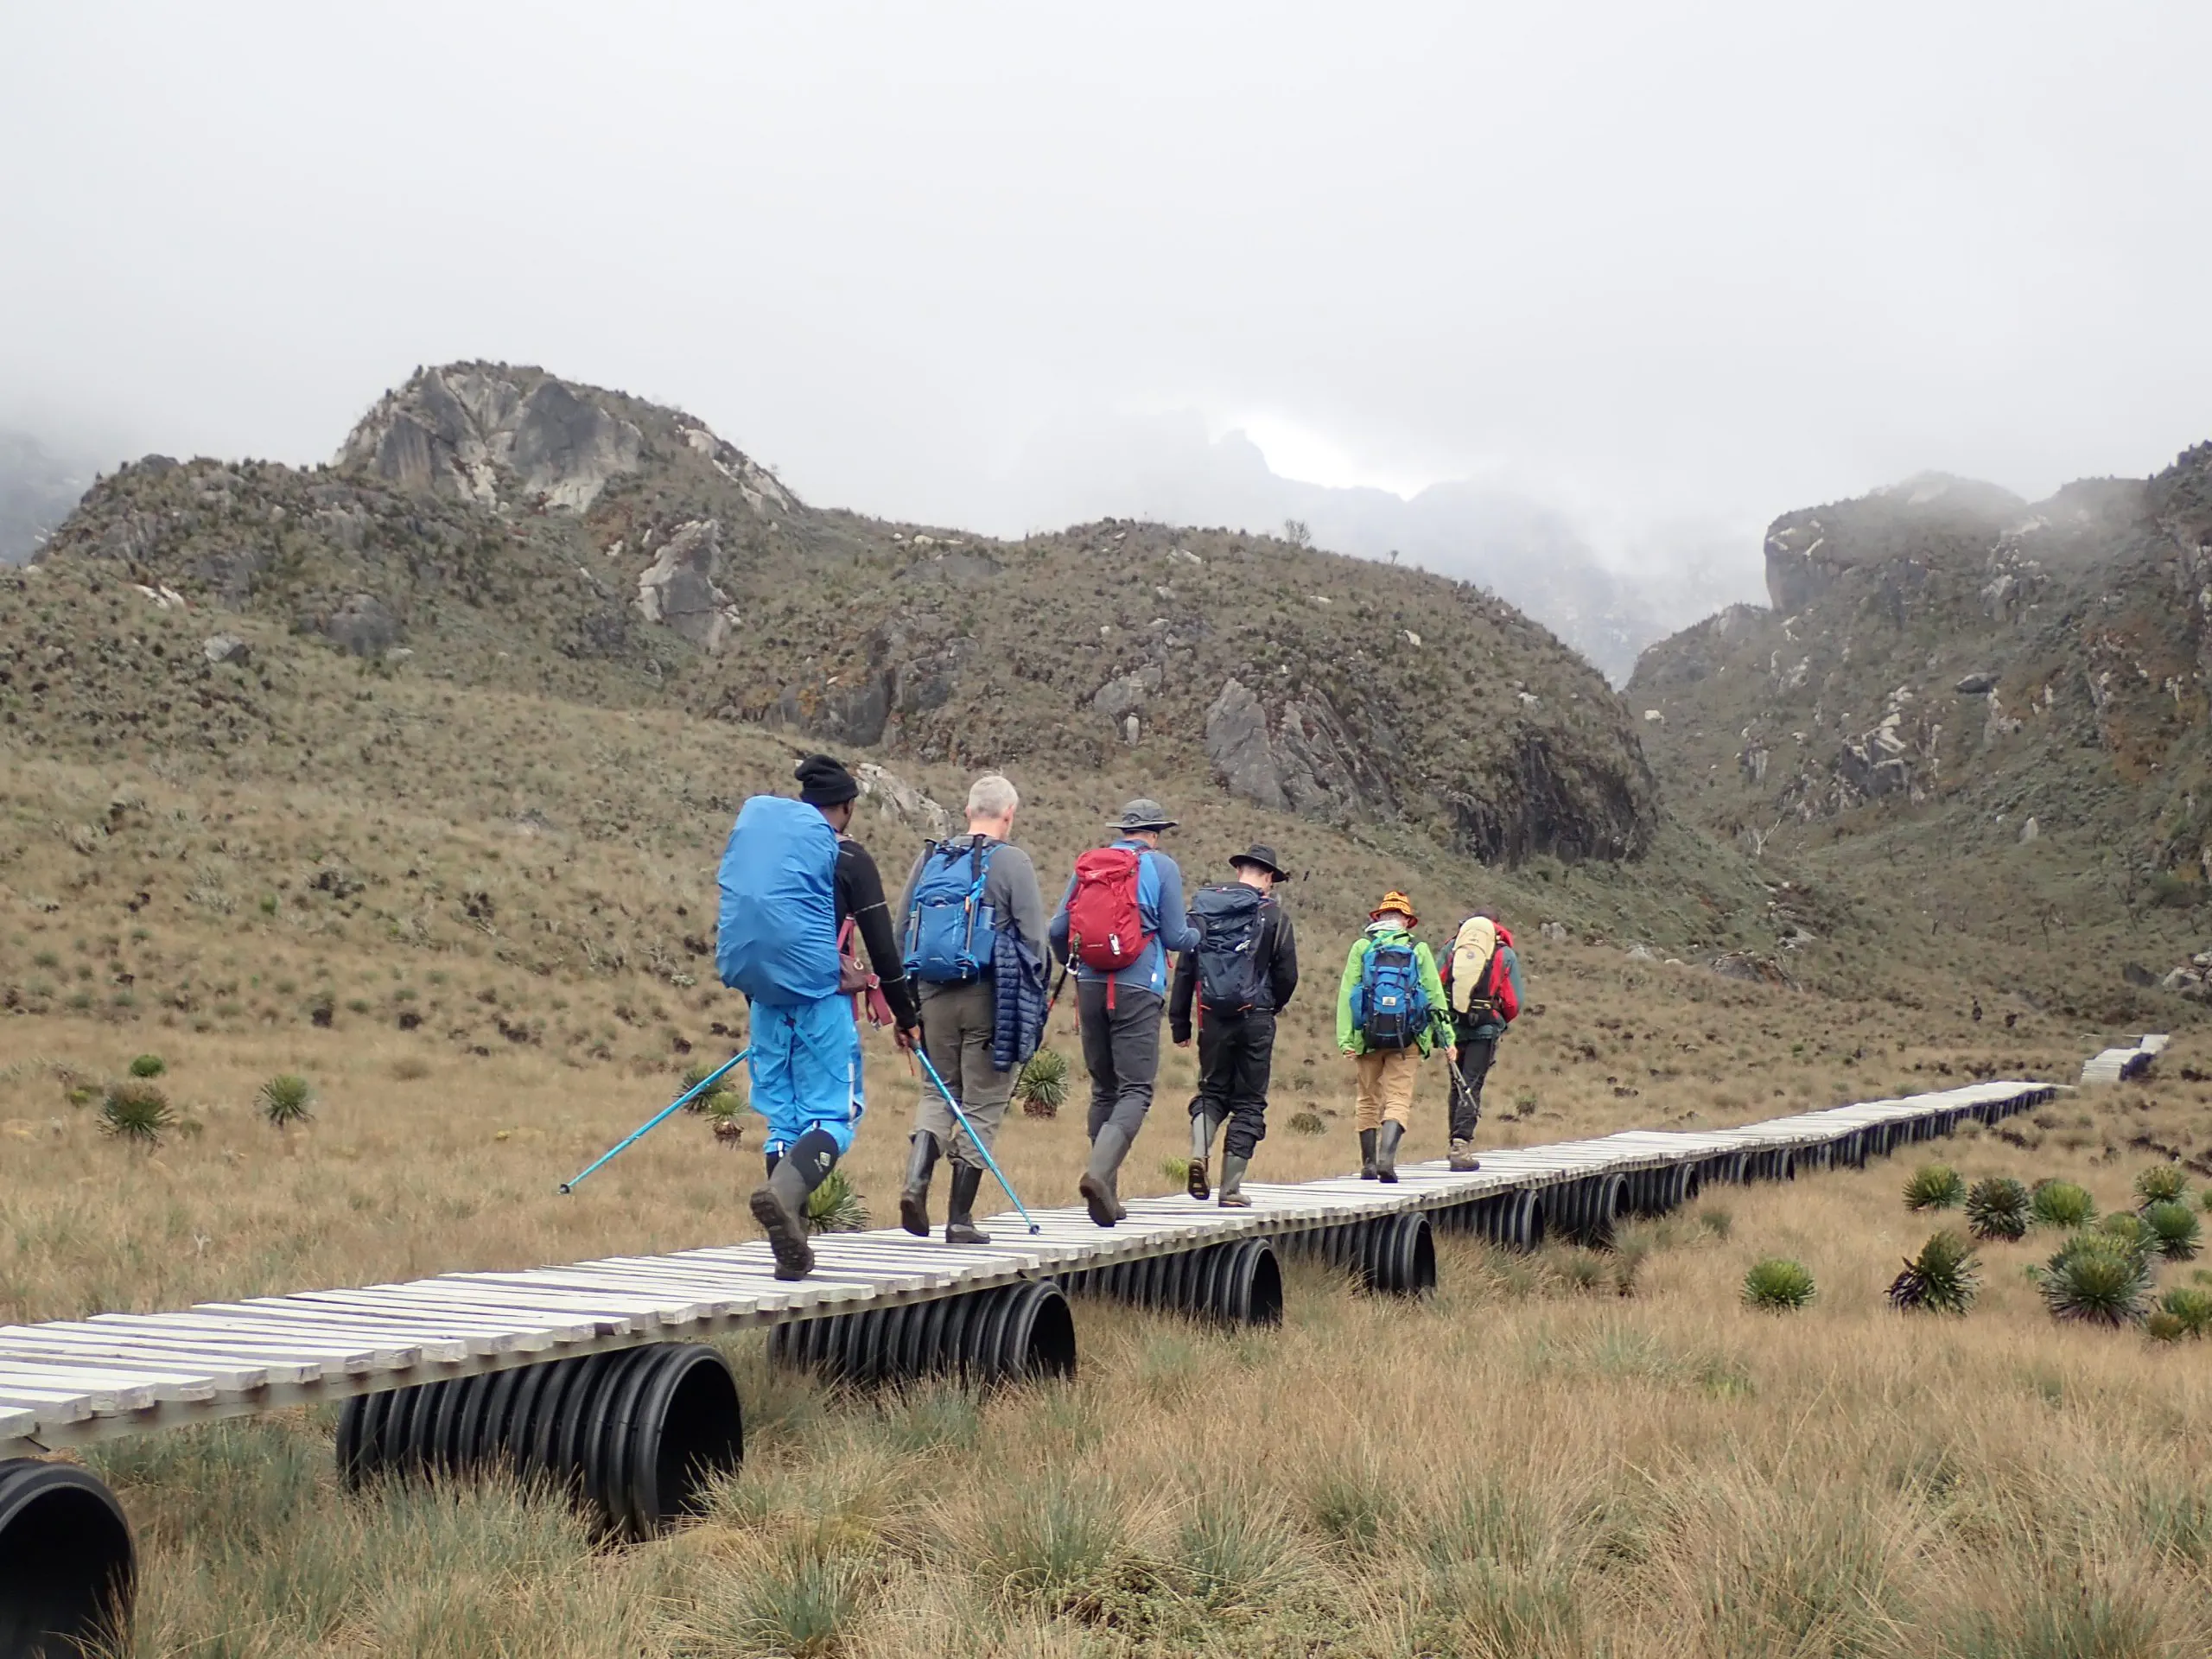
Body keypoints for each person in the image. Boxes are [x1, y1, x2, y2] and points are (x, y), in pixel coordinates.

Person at [717, 753, 920, 1281]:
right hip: (823, 1004)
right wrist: (906, 1015)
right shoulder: (848, 859)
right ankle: (785, 1197)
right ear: (847, 807)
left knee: (783, 1122)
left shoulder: (772, 855)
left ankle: (792, 1252)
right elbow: (882, 948)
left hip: (765, 1001)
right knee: (835, 1116)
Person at [893, 772, 1049, 1244]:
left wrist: (908, 1006)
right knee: (982, 1103)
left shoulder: (930, 858)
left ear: (967, 811)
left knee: (937, 1094)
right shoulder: (1013, 862)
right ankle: (959, 1220)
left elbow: (902, 932)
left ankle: (916, 1181)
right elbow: (1036, 941)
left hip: (932, 996)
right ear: (1009, 814)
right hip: (990, 998)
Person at [1049, 799, 1202, 1227]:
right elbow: (1174, 936)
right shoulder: (1162, 868)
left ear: (1123, 831)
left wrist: (1073, 965)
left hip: (1091, 986)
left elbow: (1057, 930)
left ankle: (1108, 1198)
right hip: (1138, 986)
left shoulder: (1091, 865)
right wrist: (1198, 934)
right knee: (1136, 1090)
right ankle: (1099, 1176)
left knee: (1103, 1089)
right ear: (1154, 834)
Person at [1170, 843, 1299, 1207]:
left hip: (1212, 1014)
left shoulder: (1205, 910)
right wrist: (1272, 1006)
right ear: (1269, 877)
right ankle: (1229, 1189)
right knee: (1249, 1103)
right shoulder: (1274, 916)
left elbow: (1186, 969)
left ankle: (1199, 1152)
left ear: (1239, 870)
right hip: (1256, 1015)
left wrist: (1180, 1024)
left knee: (1212, 1091)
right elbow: (1288, 973)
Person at [1335, 890, 1453, 1183]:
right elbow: (1435, 997)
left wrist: (1346, 1040)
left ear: (1379, 917)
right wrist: (1446, 1039)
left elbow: (1347, 994)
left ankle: (1368, 1164)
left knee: (1367, 1098)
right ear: (1406, 921)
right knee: (1398, 1097)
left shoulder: (1362, 946)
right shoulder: (1418, 949)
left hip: (1367, 1036)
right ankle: (1388, 1158)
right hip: (1408, 1038)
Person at [1441, 910, 1524, 1170]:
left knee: (1457, 1084)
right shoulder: (1504, 953)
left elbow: (1435, 984)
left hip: (1454, 1029)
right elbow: (1513, 1001)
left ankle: (1455, 1141)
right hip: (1484, 1029)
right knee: (1471, 1084)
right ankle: (1460, 1145)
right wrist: (1498, 1020)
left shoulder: (1451, 948)